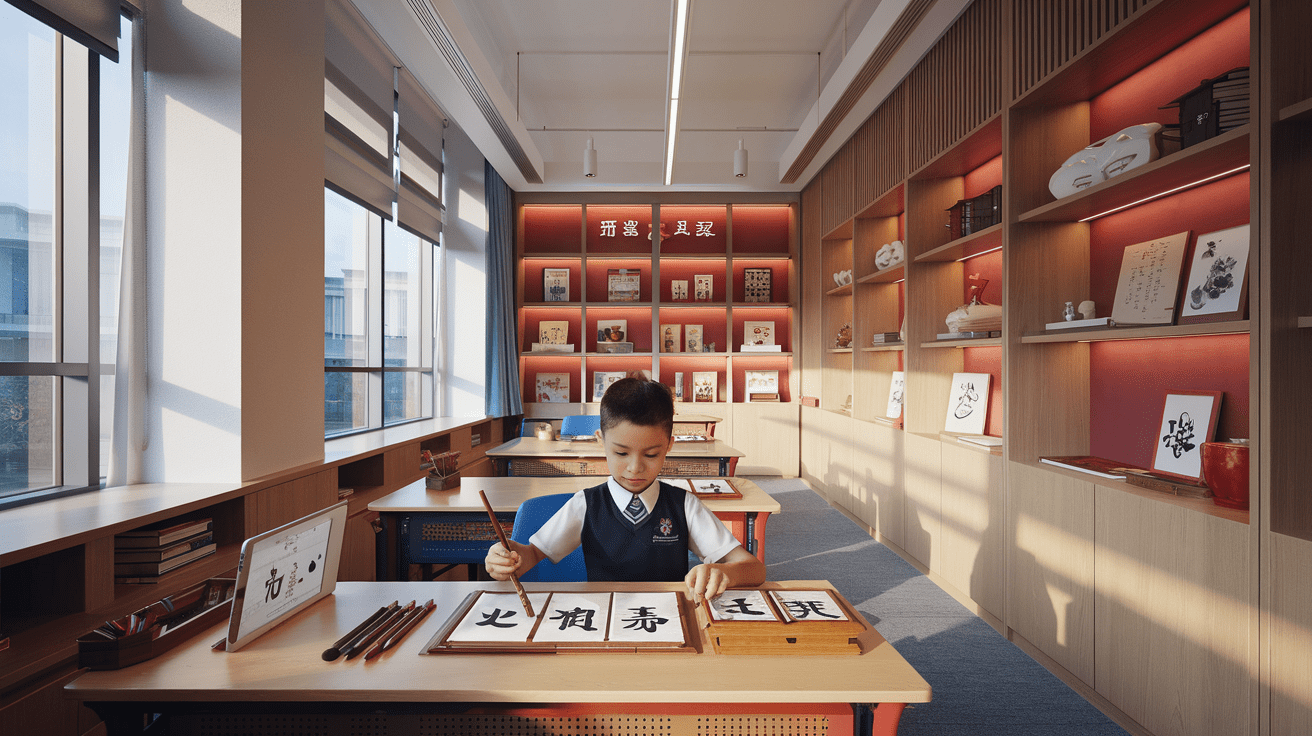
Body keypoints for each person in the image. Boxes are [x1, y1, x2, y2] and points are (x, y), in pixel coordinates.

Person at [485, 377, 765, 603]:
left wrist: (724, 571)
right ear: (600, 442)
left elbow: (754, 568)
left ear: (669, 446)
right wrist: (509, 558)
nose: (635, 468)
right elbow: (532, 554)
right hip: (603, 621)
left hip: (669, 623)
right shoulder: (586, 504)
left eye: (652, 455)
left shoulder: (683, 505)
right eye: (620, 453)